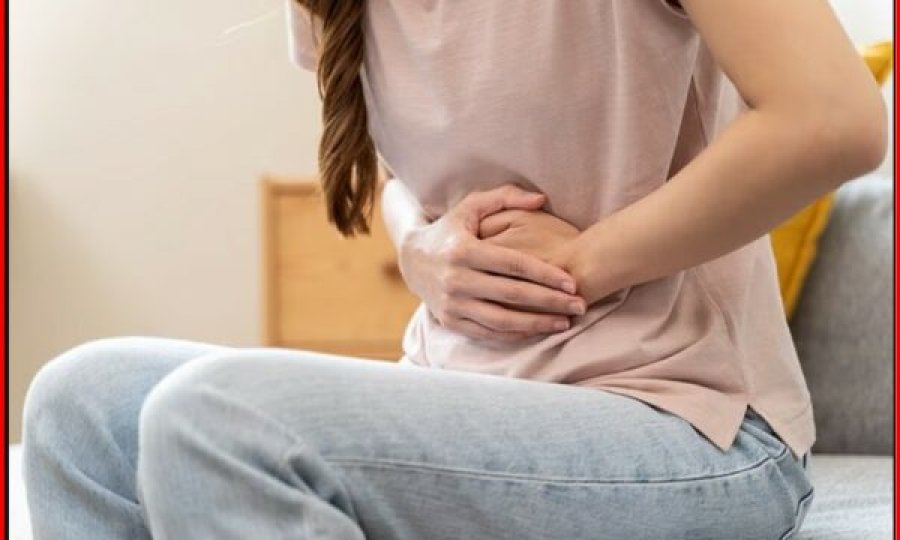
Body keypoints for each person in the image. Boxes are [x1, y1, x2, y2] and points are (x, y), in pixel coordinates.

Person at [23, 0, 886, 538]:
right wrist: (419, 248)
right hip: (466, 390)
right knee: (80, 401)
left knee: (215, 416)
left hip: (691, 423)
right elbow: (402, 175)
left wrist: (586, 260)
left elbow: (833, 119)